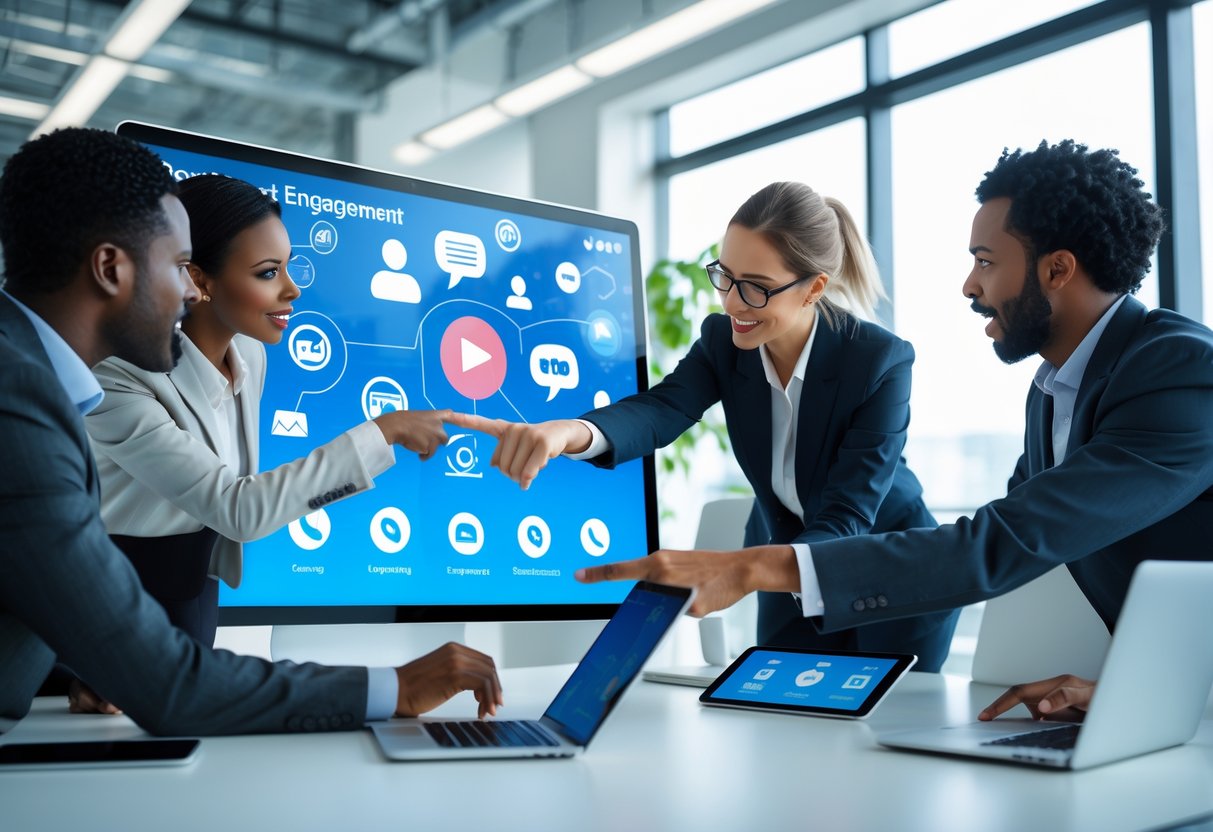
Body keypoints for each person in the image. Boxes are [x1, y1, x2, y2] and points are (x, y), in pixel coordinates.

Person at [572, 140, 1213, 717]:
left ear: (1058, 269)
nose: (969, 284)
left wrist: (754, 568)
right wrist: (1126, 693)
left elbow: (1001, 543)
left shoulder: (1176, 370)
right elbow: (1017, 531)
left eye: (986, 261)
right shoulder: (1054, 392)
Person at [0, 127, 501, 734]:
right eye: (182, 267)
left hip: (169, 594)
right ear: (110, 268)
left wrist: (100, 661)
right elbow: (172, 678)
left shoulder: (35, 379)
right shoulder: (21, 402)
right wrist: (394, 685)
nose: (189, 292)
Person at [453, 182, 960, 671]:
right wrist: (569, 432)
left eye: (757, 289)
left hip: (890, 573)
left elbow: (848, 516)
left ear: (814, 289)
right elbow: (663, 408)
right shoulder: (724, 341)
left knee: (881, 732)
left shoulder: (879, 361)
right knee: (780, 719)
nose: (733, 303)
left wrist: (745, 570)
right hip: (786, 559)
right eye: (726, 276)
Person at [84, 174, 448, 654]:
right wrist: (383, 432)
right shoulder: (118, 378)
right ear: (199, 280)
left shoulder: (250, 356)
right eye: (268, 272)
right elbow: (238, 508)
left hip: (194, 586)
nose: (292, 290)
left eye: (288, 268)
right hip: (107, 604)